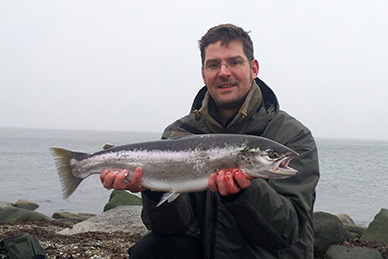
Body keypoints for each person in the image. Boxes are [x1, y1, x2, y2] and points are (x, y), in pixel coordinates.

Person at [100, 24, 320, 259]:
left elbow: (287, 233)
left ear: (253, 68)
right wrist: (153, 188)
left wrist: (244, 192)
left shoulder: (294, 136)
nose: (224, 72)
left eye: (235, 62)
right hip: (205, 252)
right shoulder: (179, 133)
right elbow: (172, 228)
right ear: (204, 74)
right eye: (214, 65)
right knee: (151, 251)